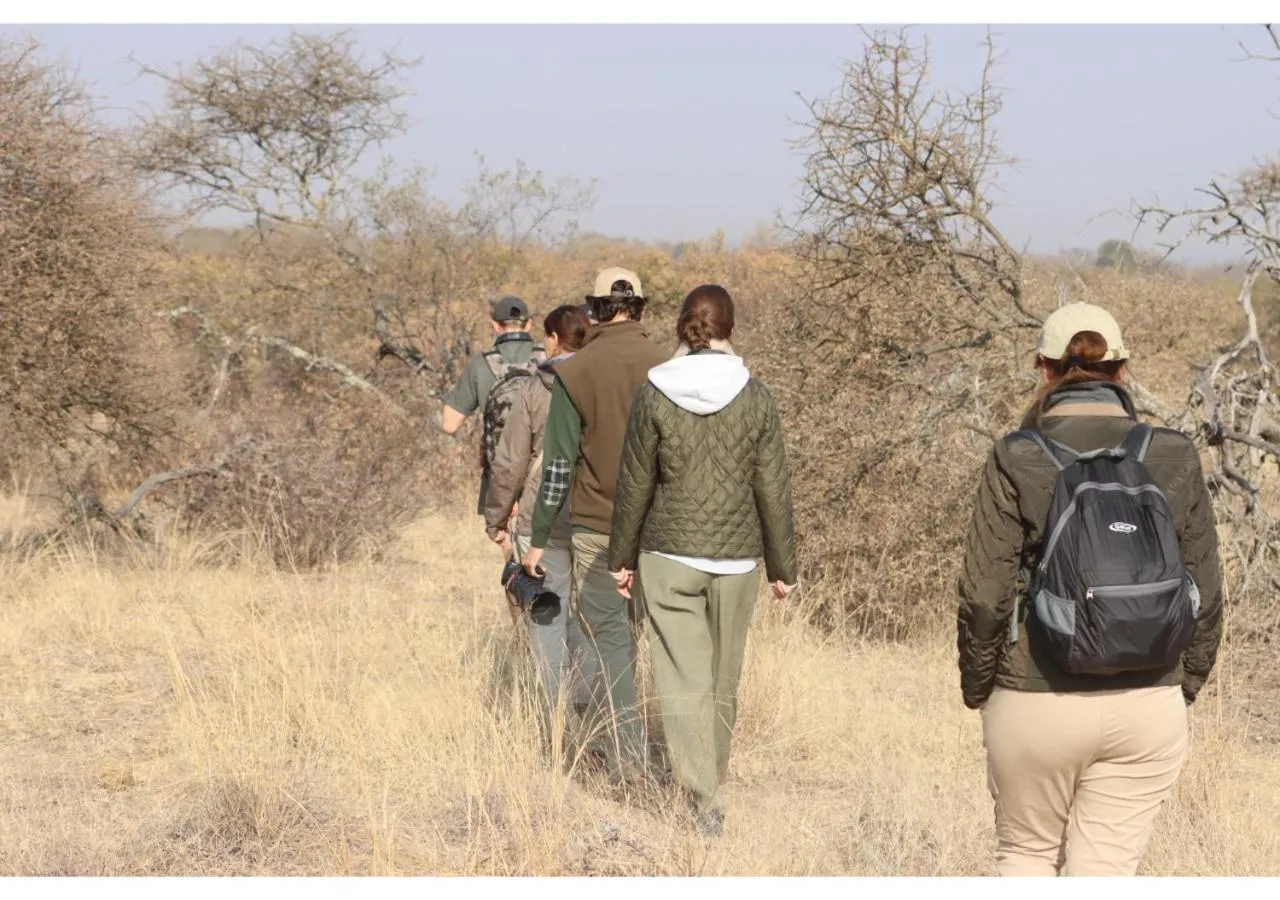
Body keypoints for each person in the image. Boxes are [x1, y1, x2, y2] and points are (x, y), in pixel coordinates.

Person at [956, 302, 1224, 877]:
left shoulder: (1016, 455)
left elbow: (985, 594)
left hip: (1036, 697)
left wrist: (982, 688)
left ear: (1043, 369)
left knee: (1025, 856)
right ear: (1123, 371)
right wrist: (1183, 686)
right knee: (1105, 871)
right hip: (1148, 705)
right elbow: (1206, 587)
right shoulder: (1173, 453)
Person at [607, 284, 797, 837]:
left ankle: (703, 796)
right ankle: (709, 787)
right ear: (730, 326)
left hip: (667, 556)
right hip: (737, 561)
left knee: (681, 677)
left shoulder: (655, 392)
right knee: (721, 680)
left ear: (683, 327)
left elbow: (634, 483)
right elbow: (773, 488)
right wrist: (783, 567)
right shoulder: (755, 395)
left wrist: (621, 557)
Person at [523, 267, 669, 783]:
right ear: (642, 309)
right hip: (662, 529)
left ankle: (629, 756)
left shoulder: (576, 372)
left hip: (596, 526)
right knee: (666, 640)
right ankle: (678, 755)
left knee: (611, 641)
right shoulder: (666, 365)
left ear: (595, 311)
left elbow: (559, 465)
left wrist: (539, 537)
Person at [484, 304, 598, 724]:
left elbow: (510, 461)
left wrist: (496, 519)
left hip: (540, 520)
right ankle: (589, 710)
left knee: (548, 614)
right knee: (588, 616)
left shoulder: (534, 389)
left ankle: (554, 717)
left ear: (551, 339)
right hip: (594, 512)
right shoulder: (602, 384)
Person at [441, 296, 544, 514]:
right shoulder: (549, 358)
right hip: (545, 475)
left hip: (501, 477)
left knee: (508, 541)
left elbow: (449, 424)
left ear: (495, 326)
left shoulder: (481, 363)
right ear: (529, 324)